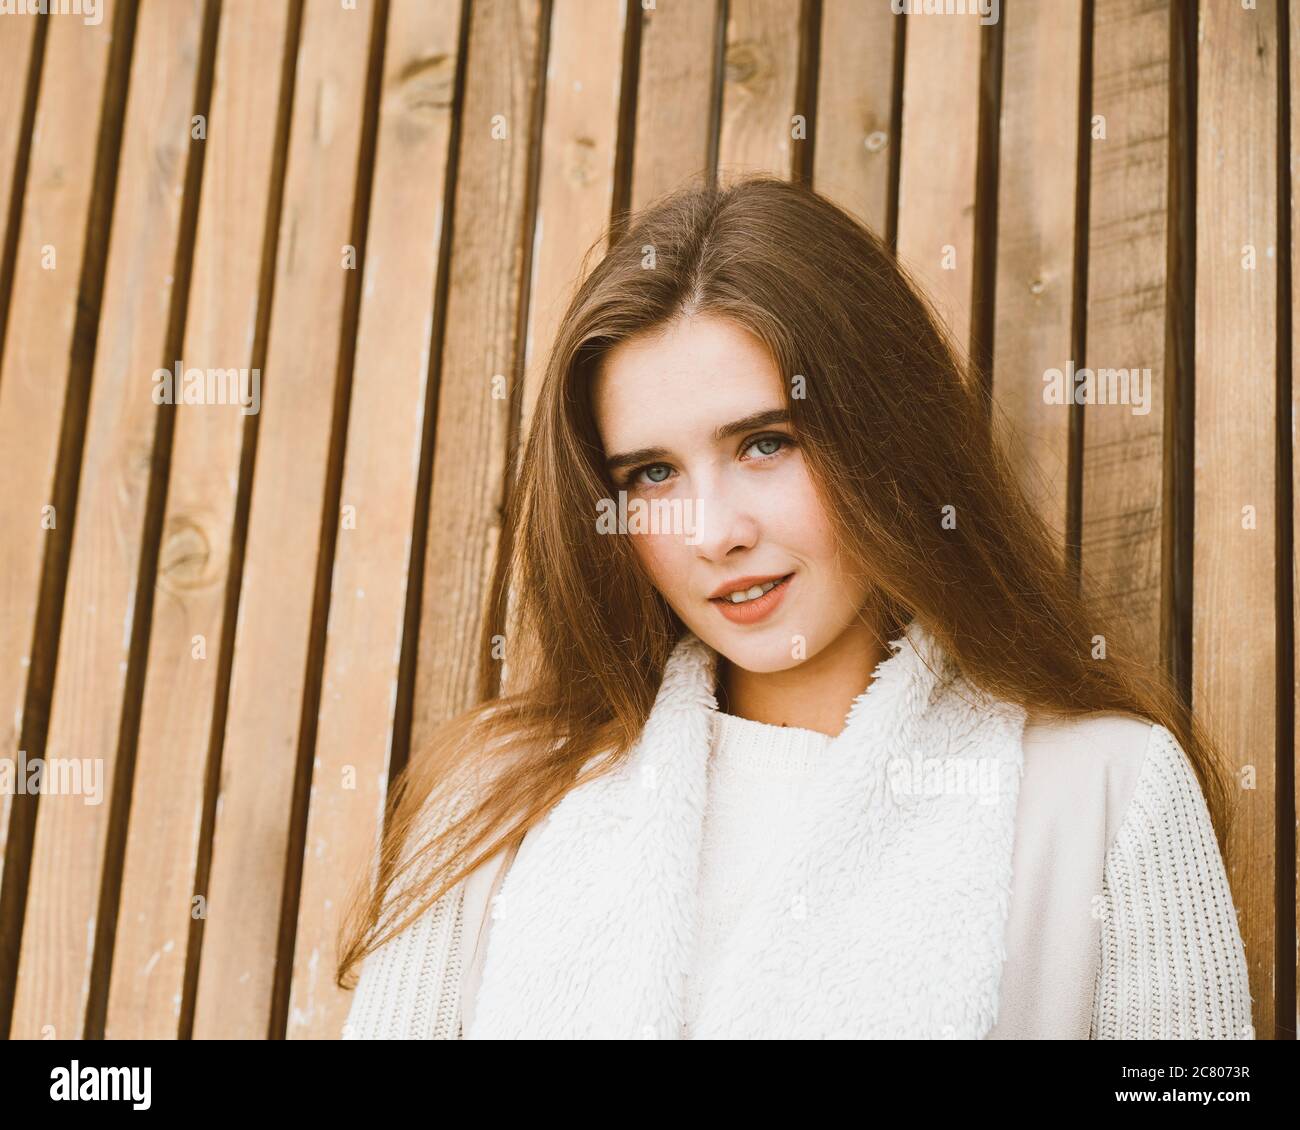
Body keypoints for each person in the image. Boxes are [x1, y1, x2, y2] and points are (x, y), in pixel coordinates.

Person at [336, 175, 1253, 1040]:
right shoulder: (494, 801)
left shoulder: (1105, 789)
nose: (714, 533)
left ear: (886, 437)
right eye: (652, 474)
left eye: (766, 444)